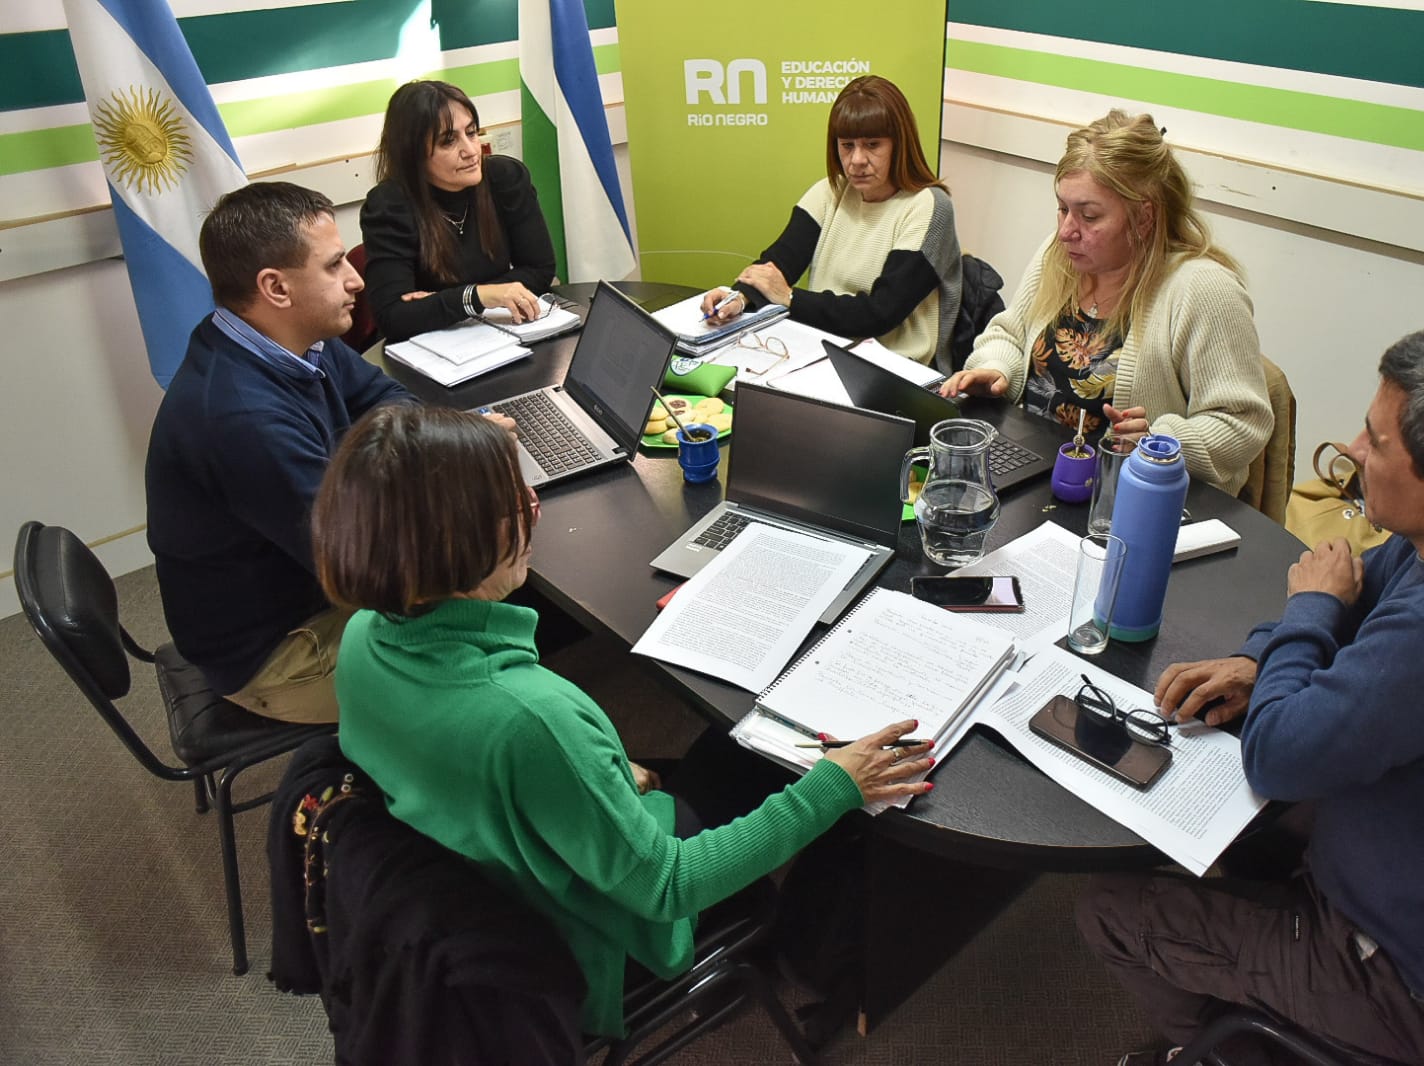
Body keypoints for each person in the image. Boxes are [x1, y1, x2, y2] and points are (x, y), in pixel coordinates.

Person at [311, 403, 933, 1037]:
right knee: (794, 766)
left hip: (495, 865)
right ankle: (825, 961)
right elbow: (668, 886)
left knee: (729, 746)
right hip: (591, 935)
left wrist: (592, 777)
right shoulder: (531, 720)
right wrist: (833, 788)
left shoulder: (364, 638)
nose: (535, 507)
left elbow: (496, 760)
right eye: (514, 500)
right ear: (459, 540)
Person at [1076, 319, 1424, 1066]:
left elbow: (1279, 755)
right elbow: (1363, 585)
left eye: (1377, 439)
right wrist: (1264, 658)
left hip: (1422, 991)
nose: (1353, 449)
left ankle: (1215, 1053)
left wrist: (1308, 614)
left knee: (1112, 911)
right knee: (1245, 818)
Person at [144, 182, 414, 724]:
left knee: (495, 591)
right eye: (335, 265)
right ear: (276, 287)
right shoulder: (238, 416)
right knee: (471, 630)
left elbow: (387, 398)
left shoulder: (289, 337)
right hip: (281, 653)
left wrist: (450, 447)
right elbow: (362, 565)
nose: (356, 278)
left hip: (310, 578)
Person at [940, 110, 1271, 495]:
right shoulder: (1061, 256)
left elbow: (1242, 423)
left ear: (1144, 217)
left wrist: (1158, 441)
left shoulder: (1204, 290)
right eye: (1063, 208)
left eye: (1089, 215)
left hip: (1127, 500)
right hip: (1035, 474)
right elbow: (1009, 333)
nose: (1066, 231)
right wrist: (997, 369)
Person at [700, 74, 961, 367]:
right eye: (847, 145)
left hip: (901, 368)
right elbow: (779, 263)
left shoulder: (929, 206)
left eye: (872, 145)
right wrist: (739, 298)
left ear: (899, 145)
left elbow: (880, 314)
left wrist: (789, 298)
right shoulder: (830, 190)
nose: (857, 160)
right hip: (824, 350)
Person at [360, 80, 557, 343]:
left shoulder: (506, 178)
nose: (471, 151)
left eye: (472, 132)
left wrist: (442, 302)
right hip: (433, 351)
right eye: (448, 141)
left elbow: (540, 270)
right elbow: (394, 317)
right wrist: (480, 296)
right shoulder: (389, 206)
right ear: (413, 154)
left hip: (500, 336)